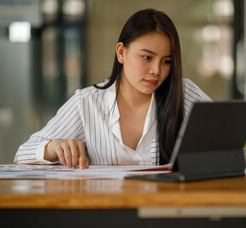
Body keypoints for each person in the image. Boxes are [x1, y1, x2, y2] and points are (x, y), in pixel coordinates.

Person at [14, 8, 211, 169]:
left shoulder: (183, 94)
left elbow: (241, 134)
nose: (156, 70)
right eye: (146, 57)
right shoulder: (87, 103)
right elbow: (22, 154)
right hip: (108, 212)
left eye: (166, 61)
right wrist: (53, 147)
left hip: (167, 210)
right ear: (121, 53)